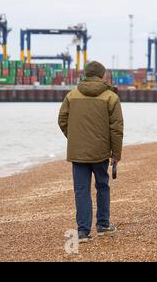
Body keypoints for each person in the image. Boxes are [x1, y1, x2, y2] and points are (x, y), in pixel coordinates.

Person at [58, 61, 124, 243]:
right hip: (101, 152)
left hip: (77, 152)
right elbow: (116, 128)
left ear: (86, 74)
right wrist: (116, 154)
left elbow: (62, 120)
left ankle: (83, 232)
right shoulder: (111, 97)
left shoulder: (72, 95)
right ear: (102, 75)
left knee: (81, 190)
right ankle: (103, 225)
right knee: (102, 186)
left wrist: (74, 138)